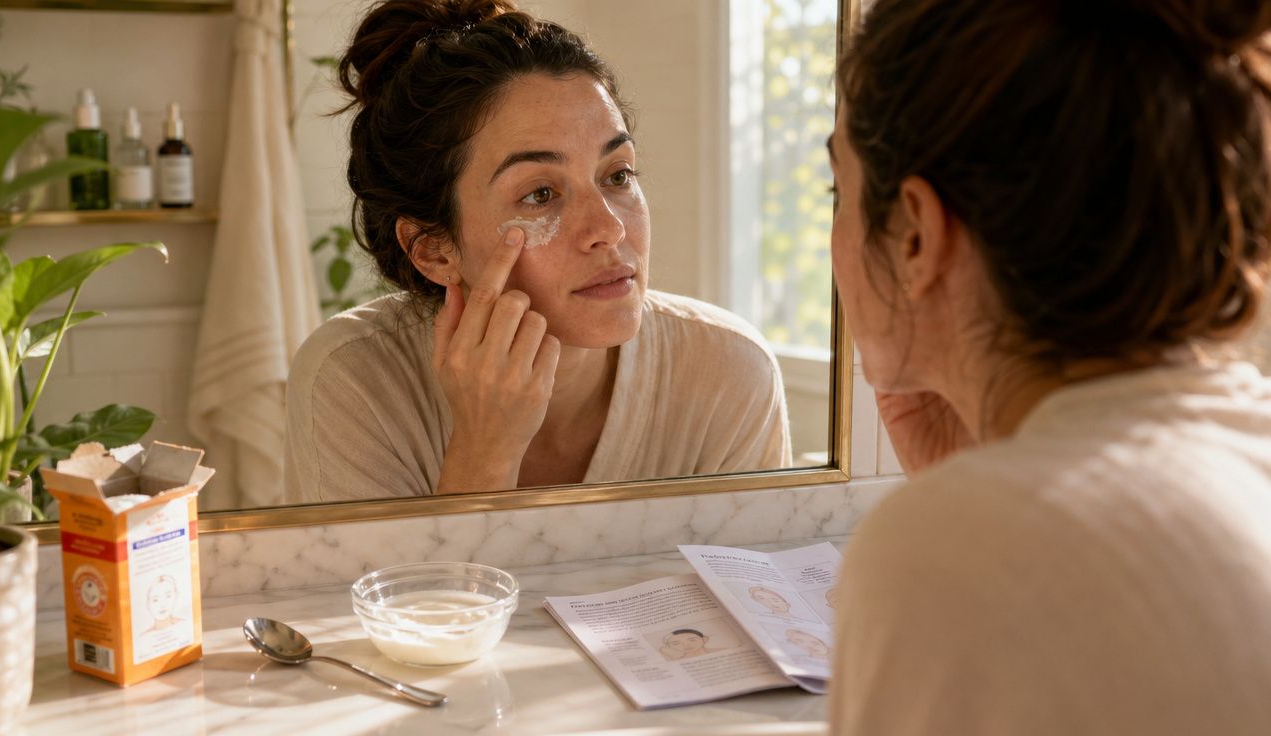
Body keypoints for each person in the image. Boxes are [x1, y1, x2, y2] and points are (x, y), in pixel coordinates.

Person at [826, 0, 1271, 733]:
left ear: (914, 233)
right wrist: (986, 471)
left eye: (837, 192)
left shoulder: (945, 554)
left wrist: (962, 514)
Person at [284, 0, 790, 502]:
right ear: (434, 250)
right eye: (540, 194)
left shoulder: (729, 370)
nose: (609, 229)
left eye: (617, 175)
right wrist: (486, 450)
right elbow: (400, 587)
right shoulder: (353, 380)